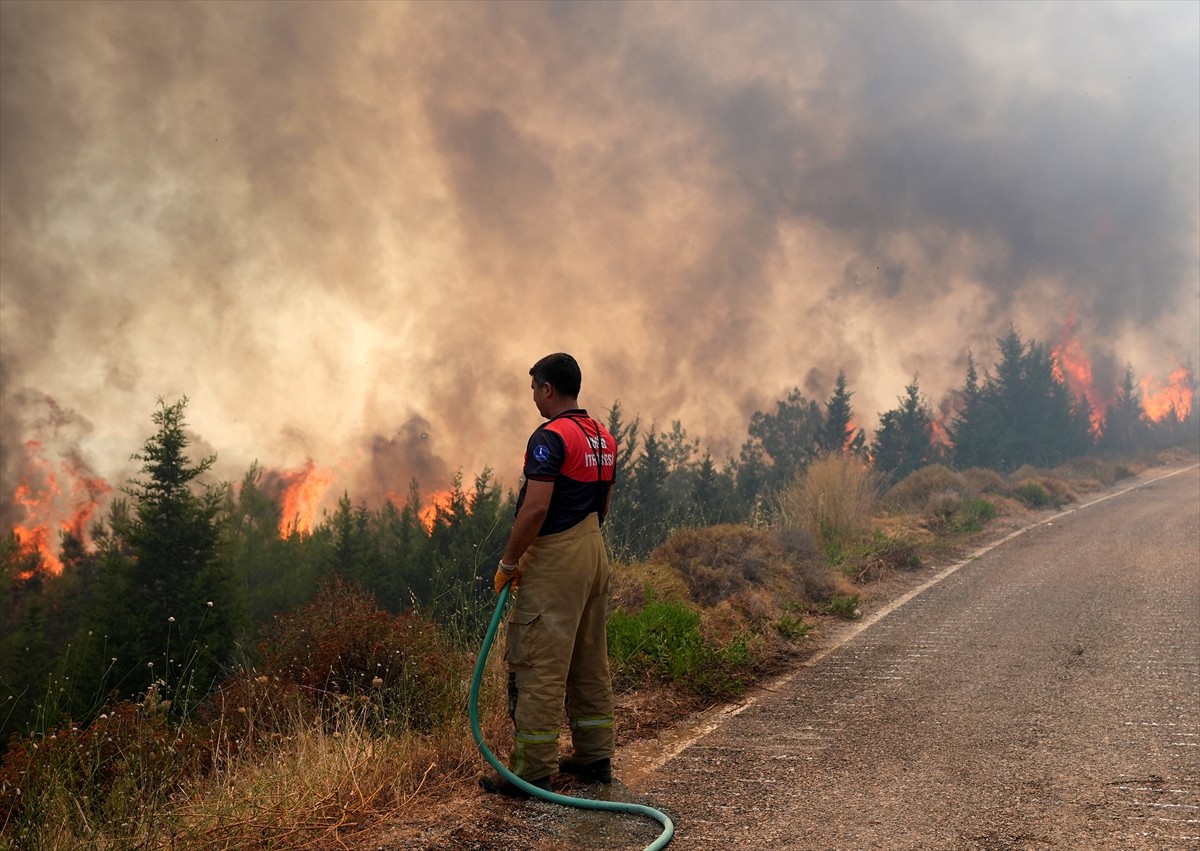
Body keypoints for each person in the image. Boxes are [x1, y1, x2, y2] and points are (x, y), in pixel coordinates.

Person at [480, 352, 619, 798]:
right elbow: (605, 503)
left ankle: (531, 772)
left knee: (539, 662)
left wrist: (508, 562)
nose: (534, 397)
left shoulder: (550, 437)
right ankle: (595, 758)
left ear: (547, 389)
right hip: (595, 550)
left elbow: (536, 507)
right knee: (588, 658)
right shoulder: (603, 436)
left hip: (558, 558)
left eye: (534, 389)